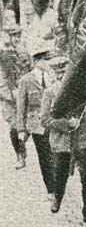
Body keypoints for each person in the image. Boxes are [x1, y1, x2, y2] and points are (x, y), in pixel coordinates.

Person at [40, 55, 86, 225]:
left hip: (83, 137)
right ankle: (57, 198)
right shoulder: (50, 92)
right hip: (63, 141)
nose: (63, 76)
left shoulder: (81, 88)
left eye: (66, 72)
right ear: (54, 74)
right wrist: (66, 124)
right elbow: (45, 120)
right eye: (59, 72)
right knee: (61, 174)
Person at [16, 43, 54, 199]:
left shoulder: (54, 77)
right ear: (37, 61)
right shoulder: (26, 80)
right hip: (37, 125)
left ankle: (58, 182)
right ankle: (51, 189)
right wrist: (21, 129)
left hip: (54, 122)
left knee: (57, 154)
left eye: (48, 58)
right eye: (45, 59)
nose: (48, 62)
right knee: (45, 157)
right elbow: (21, 106)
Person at [0, 25, 31, 168]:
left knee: (28, 125)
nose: (16, 39)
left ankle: (22, 148)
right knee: (13, 126)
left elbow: (29, 69)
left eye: (18, 36)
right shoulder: (4, 53)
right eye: (14, 36)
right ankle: (20, 155)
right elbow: (4, 75)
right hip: (8, 95)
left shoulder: (25, 51)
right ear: (9, 37)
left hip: (24, 93)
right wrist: (8, 90)